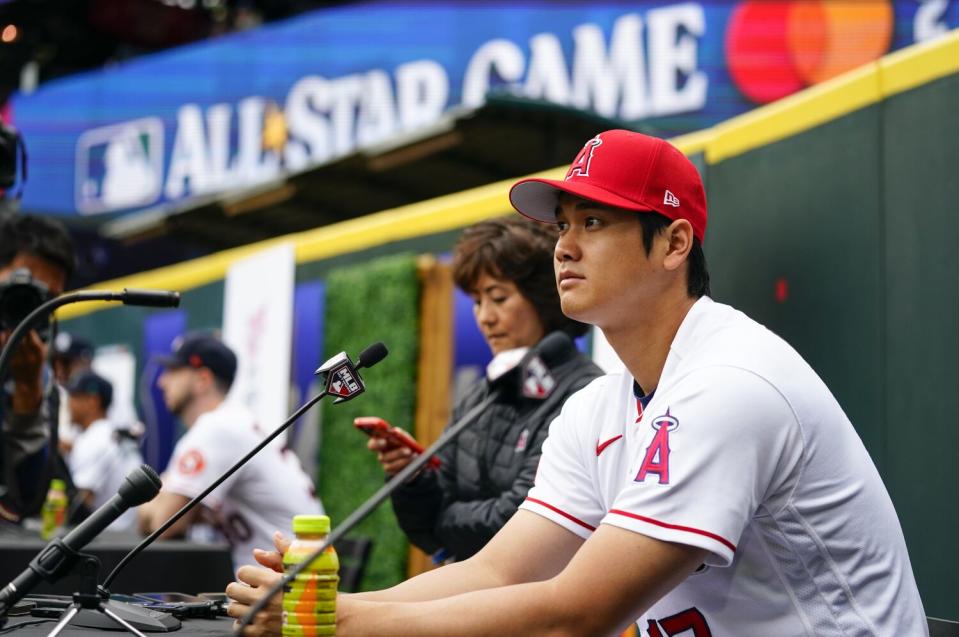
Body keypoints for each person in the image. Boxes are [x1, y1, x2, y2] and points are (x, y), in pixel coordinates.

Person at [227, 130, 927, 636]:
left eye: (594, 221)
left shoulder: (728, 382)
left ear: (674, 244)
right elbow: (497, 573)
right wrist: (321, 608)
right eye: (562, 224)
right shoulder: (599, 403)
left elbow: (575, 613)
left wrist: (346, 622)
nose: (563, 244)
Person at [368, 217, 602, 562]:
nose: (485, 317)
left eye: (498, 298)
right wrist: (413, 478)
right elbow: (426, 528)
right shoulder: (481, 394)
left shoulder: (585, 392)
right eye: (477, 301)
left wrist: (443, 524)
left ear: (544, 298)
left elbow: (518, 523)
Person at [137, 332, 321, 569]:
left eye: (173, 372)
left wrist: (149, 505)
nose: (162, 382)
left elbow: (163, 524)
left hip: (293, 586)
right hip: (297, 572)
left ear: (202, 379)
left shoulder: (216, 428)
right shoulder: (231, 422)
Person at [0, 213, 75, 520]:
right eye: (22, 287)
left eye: (46, 300)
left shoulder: (37, 374)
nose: (30, 310)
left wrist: (28, 391)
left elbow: (29, 500)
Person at [64, 370, 143, 529]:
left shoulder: (95, 438)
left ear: (93, 401)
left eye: (74, 397)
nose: (69, 403)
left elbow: (80, 503)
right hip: (128, 531)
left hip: (112, 537)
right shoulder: (105, 433)